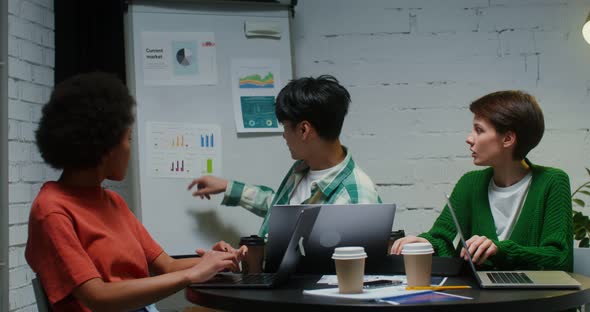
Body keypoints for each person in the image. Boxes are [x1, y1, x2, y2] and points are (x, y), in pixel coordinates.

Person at [25, 72, 247, 312]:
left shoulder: (112, 201)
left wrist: (214, 262)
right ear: (105, 146)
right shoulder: (51, 209)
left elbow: (167, 266)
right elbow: (97, 297)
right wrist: (192, 275)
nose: (131, 149)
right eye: (128, 139)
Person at [391, 90, 573, 271]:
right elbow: (442, 239)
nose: (469, 139)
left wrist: (500, 250)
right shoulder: (470, 183)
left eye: (479, 130)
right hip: (477, 296)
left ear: (508, 138)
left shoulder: (553, 181)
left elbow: (559, 257)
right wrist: (424, 242)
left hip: (531, 297)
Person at [188, 75, 381, 238]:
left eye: (285, 127)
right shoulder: (302, 168)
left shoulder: (357, 195)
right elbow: (282, 211)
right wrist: (227, 187)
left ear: (304, 129)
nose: (284, 136)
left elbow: (361, 270)